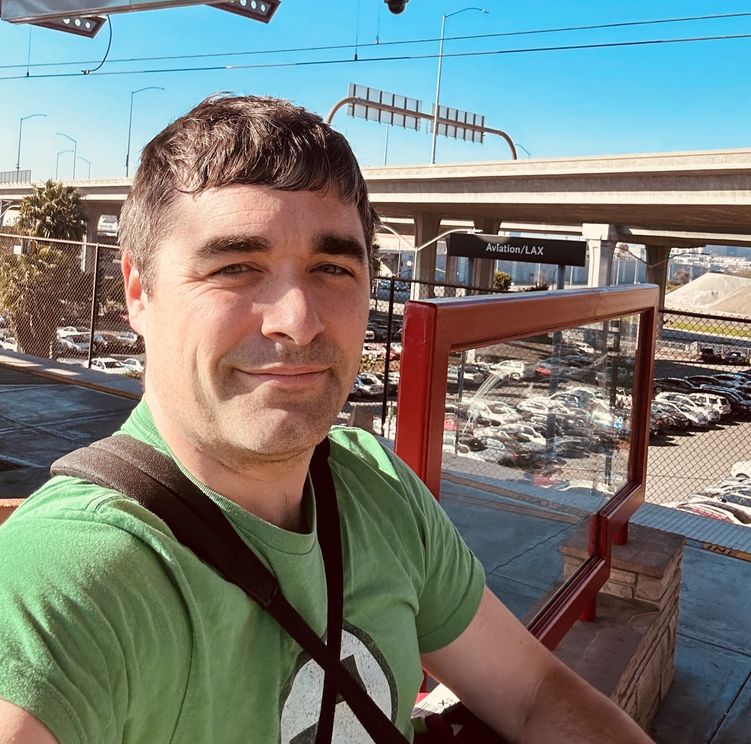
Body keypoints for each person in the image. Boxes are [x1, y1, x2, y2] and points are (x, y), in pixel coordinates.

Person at [0, 95, 652, 744]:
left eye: (332, 268)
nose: (298, 318)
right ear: (140, 293)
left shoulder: (377, 489)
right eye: (235, 267)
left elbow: (534, 692)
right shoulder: (67, 576)